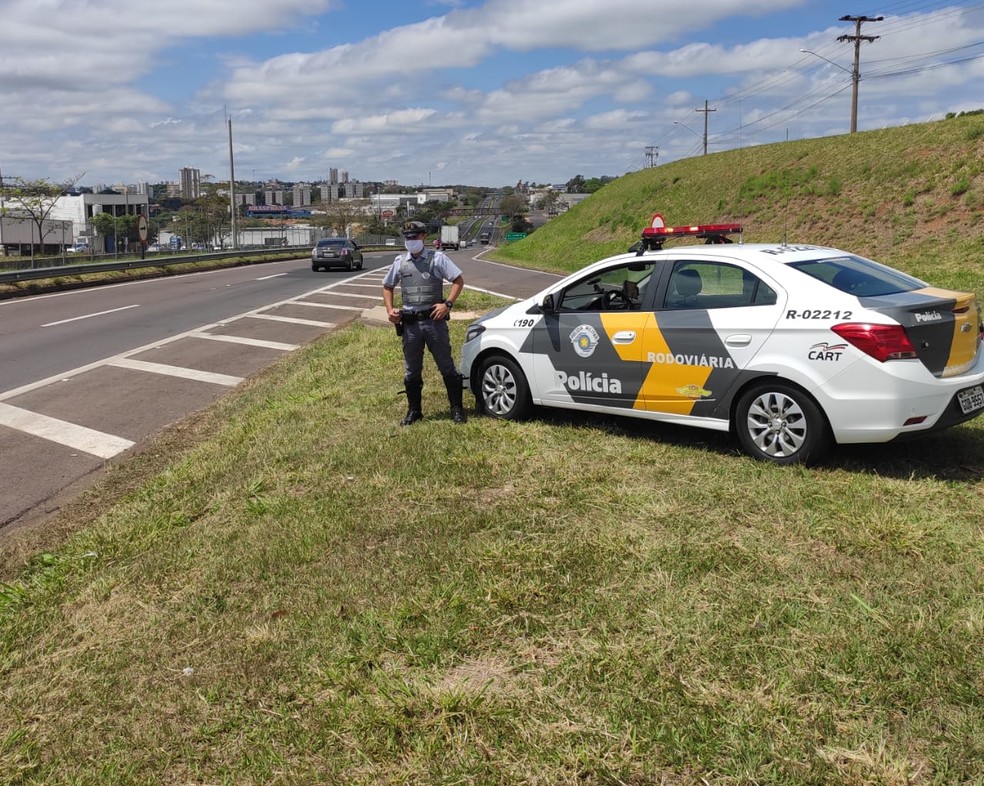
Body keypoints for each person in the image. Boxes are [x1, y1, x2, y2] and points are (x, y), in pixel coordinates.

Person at [382, 220, 467, 425]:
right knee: (412, 370)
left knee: (446, 366)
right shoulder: (400, 262)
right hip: (410, 325)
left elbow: (458, 280)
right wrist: (390, 310)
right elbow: (387, 286)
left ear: (424, 237)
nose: (411, 241)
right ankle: (414, 411)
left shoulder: (438, 259)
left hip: (433, 322)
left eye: (415, 237)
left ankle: (456, 409)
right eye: (407, 238)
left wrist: (447, 304)